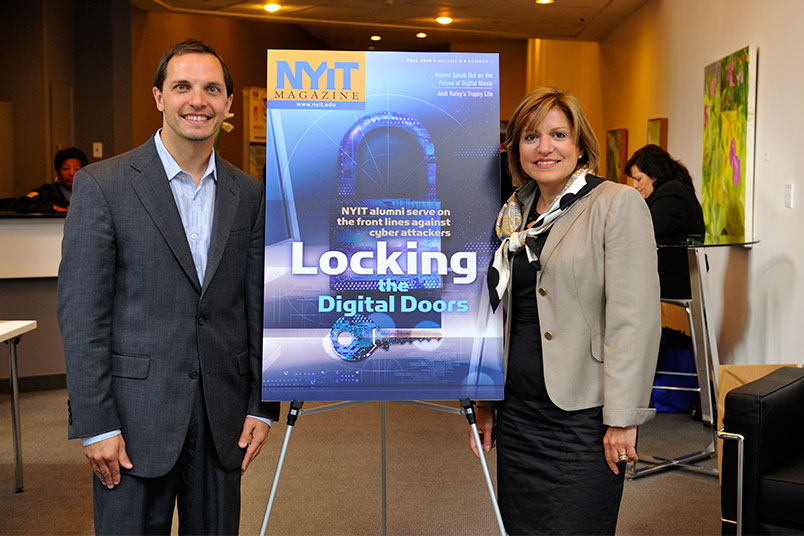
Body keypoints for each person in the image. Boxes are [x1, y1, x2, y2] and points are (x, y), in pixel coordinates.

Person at [57, 39, 279, 534]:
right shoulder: (103, 186)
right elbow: (82, 316)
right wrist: (96, 423)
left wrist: (261, 406)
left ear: (228, 105)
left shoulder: (250, 193)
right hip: (133, 422)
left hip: (224, 417)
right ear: (159, 97)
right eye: (182, 87)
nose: (196, 100)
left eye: (211, 89)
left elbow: (258, 304)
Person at [472, 87, 660, 535]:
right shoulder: (514, 213)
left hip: (582, 416)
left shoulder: (616, 203)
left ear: (580, 145)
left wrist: (622, 419)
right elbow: (498, 312)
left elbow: (633, 321)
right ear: (516, 147)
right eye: (531, 136)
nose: (545, 147)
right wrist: (485, 399)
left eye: (559, 134)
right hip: (518, 411)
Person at [626, 144, 706, 299]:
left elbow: (647, 232)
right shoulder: (670, 190)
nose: (634, 186)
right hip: (674, 271)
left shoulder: (671, 193)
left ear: (654, 174)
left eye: (638, 179)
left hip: (677, 276)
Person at [4, 147, 87, 213]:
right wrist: (54, 208)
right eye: (66, 168)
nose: (71, 173)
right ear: (58, 172)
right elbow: (20, 204)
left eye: (76, 169)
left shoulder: (90, 192)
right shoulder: (47, 192)